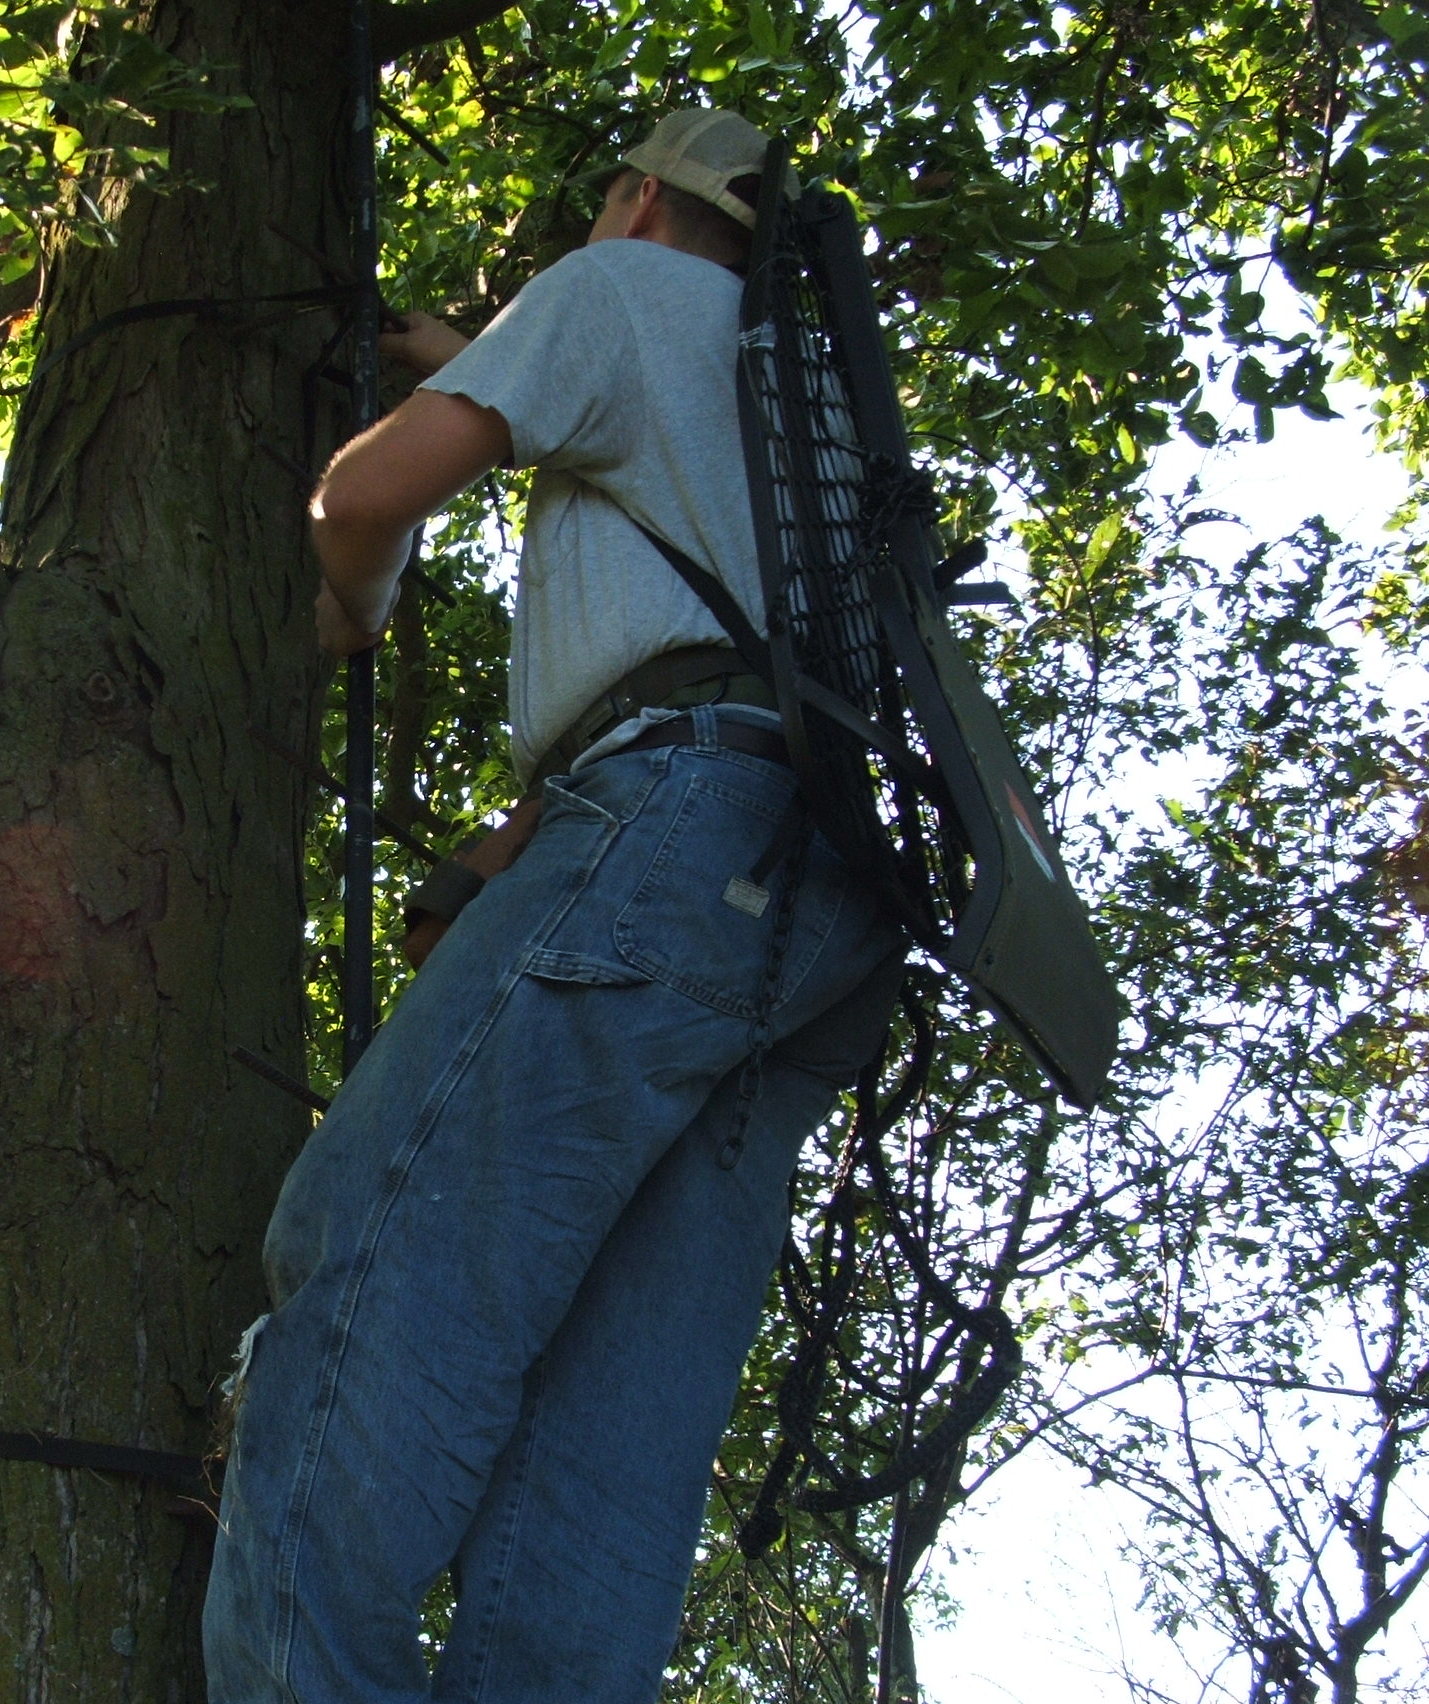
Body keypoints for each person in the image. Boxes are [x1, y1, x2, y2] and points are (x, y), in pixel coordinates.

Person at [204, 108, 909, 1704]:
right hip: (819, 918)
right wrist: (479, 352)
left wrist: (353, 608)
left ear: (641, 198)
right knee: (614, 1436)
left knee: (369, 1264)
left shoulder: (609, 290)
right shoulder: (804, 397)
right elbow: (715, 620)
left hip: (669, 826)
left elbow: (365, 495)